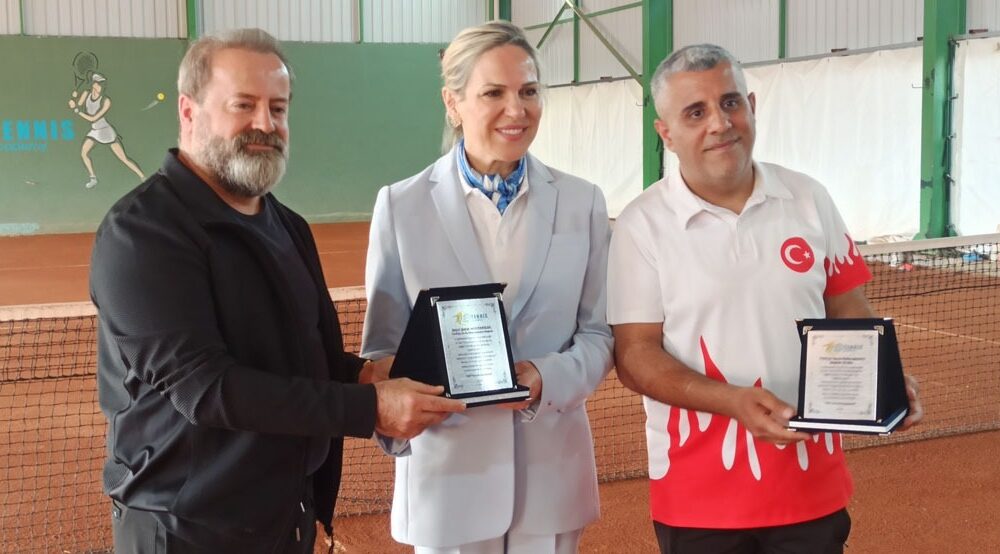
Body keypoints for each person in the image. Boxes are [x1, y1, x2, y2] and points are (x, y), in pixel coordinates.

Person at [89, 28, 464, 554]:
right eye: (243, 105)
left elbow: (292, 357)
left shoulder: (287, 226)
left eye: (278, 108)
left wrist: (359, 373)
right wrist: (368, 407)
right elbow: (205, 388)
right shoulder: (142, 233)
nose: (265, 124)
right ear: (189, 111)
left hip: (285, 519)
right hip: (184, 531)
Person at [606, 44, 924, 554]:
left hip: (810, 485)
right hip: (697, 496)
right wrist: (732, 401)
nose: (720, 123)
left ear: (751, 106)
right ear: (666, 133)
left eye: (730, 102)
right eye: (695, 112)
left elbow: (848, 310)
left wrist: (882, 380)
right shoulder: (641, 224)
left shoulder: (809, 198)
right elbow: (635, 355)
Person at [361, 21, 614, 554]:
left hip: (551, 480)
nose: (516, 110)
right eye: (493, 93)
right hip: (447, 480)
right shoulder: (401, 206)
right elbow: (382, 349)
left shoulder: (583, 202)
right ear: (452, 102)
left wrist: (545, 376)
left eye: (528, 91)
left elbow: (599, 335)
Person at [68, 72, 144, 188]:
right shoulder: (86, 94)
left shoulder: (106, 101)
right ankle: (93, 178)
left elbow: (93, 118)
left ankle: (142, 177)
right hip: (94, 131)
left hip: (106, 132)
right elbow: (77, 105)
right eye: (98, 84)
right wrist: (73, 101)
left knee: (124, 159)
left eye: (102, 84)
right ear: (93, 84)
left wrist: (77, 110)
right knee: (84, 153)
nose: (101, 86)